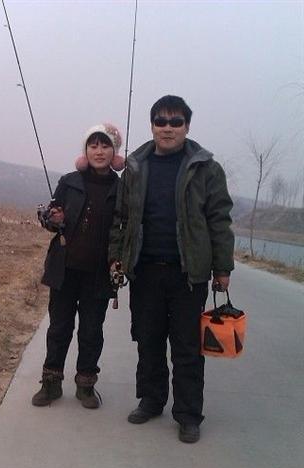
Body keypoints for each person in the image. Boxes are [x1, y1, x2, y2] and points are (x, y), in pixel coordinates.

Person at [108, 95, 234, 442]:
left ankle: (188, 414)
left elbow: (219, 220)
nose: (168, 128)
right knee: (147, 340)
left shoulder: (206, 168)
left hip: (187, 275)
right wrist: (117, 256)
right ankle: (151, 400)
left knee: (187, 347)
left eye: (176, 122)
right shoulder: (135, 168)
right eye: (161, 121)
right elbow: (120, 218)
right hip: (145, 271)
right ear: (152, 126)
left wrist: (223, 268)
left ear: (187, 126)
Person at [32, 123, 124, 409]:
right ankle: (50, 383)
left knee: (91, 332)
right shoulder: (69, 181)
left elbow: (124, 229)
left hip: (99, 273)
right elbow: (48, 217)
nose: (99, 151)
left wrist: (119, 261)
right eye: (93, 145)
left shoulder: (122, 189)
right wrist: (52, 219)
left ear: (114, 152)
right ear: (85, 150)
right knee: (59, 328)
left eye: (105, 145)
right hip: (65, 270)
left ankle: (86, 385)